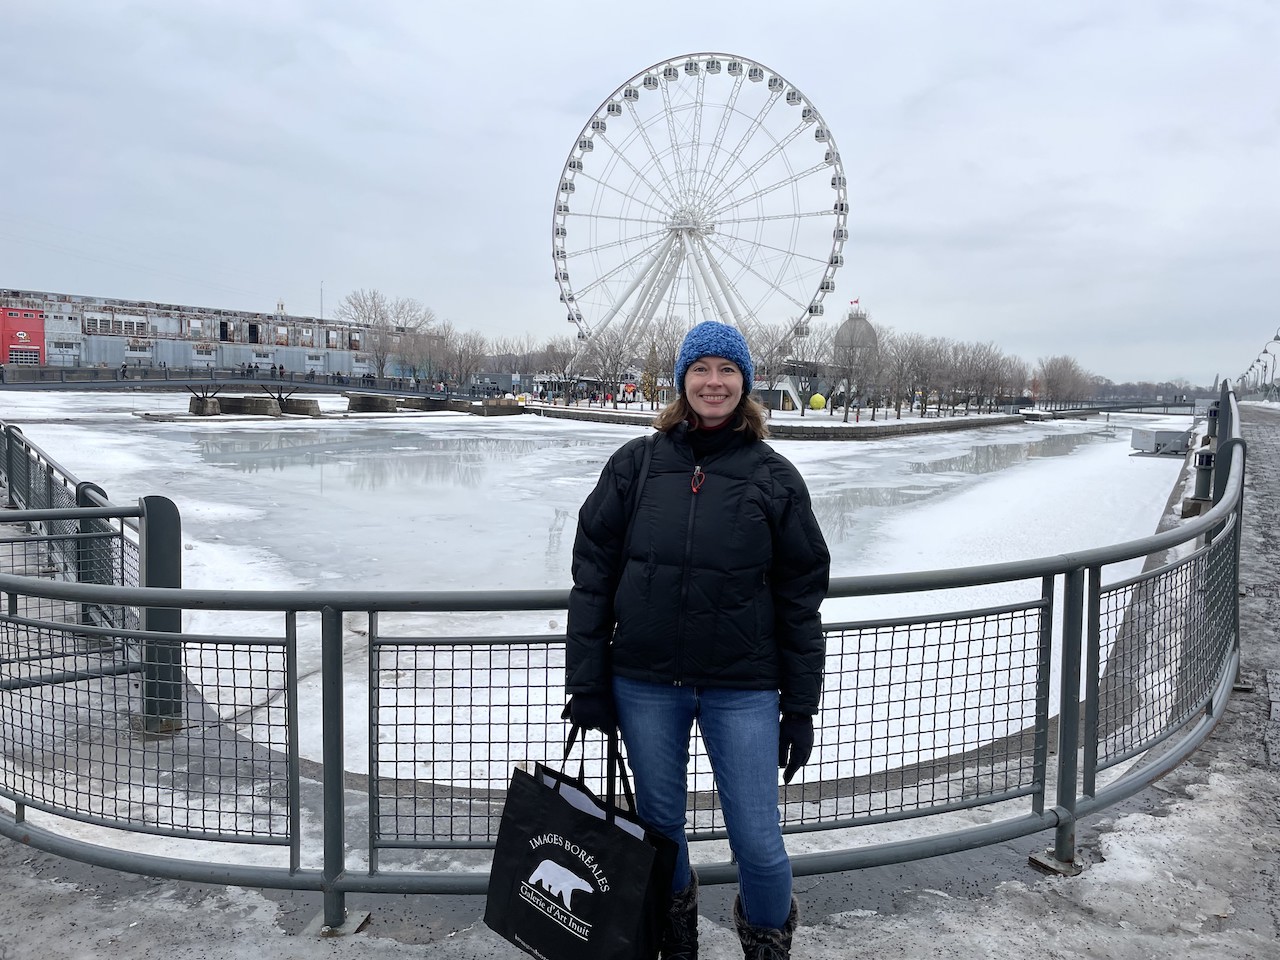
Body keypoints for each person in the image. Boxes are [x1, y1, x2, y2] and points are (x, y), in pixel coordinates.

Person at [564, 321, 830, 960]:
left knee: (758, 842)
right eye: (701, 369)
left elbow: (800, 600)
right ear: (682, 381)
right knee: (659, 830)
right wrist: (588, 680)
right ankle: (675, 937)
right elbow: (593, 575)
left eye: (727, 370)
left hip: (743, 686)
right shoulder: (635, 465)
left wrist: (800, 707)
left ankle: (767, 946)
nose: (714, 382)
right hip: (645, 682)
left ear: (746, 383)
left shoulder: (774, 478)